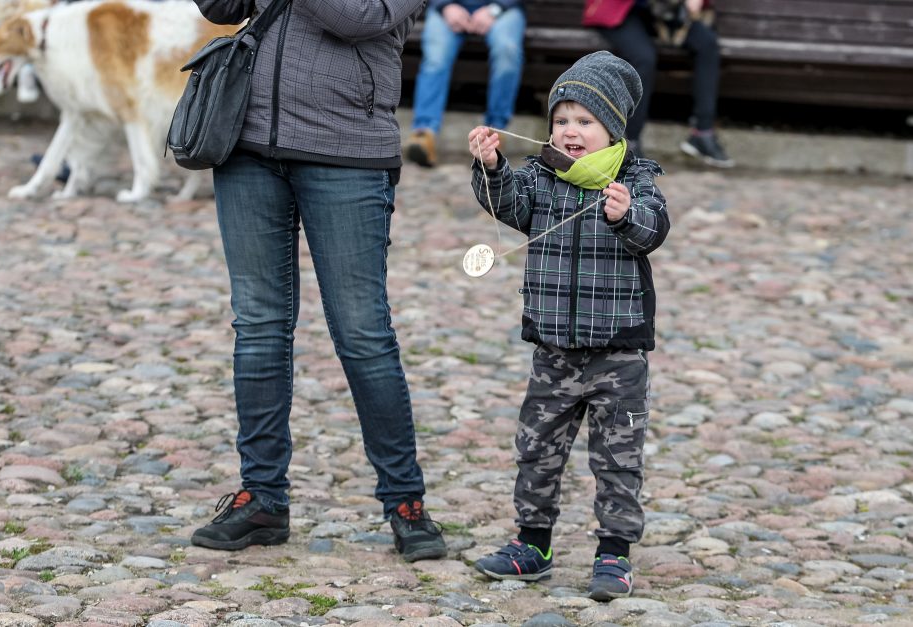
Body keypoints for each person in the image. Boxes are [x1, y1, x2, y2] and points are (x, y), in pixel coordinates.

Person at [187, 0, 447, 563]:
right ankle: (261, 498)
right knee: (257, 326)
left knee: (363, 335)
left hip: (348, 154)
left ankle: (405, 502)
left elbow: (358, 17)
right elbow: (221, 7)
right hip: (247, 145)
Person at [466, 51, 669, 600]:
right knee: (536, 448)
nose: (570, 132)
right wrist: (491, 168)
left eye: (585, 121)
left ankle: (614, 554)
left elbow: (653, 232)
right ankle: (533, 545)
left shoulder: (637, 180)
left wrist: (626, 214)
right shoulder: (540, 177)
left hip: (618, 354)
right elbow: (504, 206)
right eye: (562, 121)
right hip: (554, 348)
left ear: (613, 129)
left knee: (618, 459)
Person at [583, 0, 734, 167]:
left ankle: (702, 134)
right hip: (620, 10)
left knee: (707, 44)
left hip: (665, 12)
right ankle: (630, 141)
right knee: (644, 57)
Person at [404, 0, 525, 167]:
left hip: (502, 8)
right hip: (446, 8)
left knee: (507, 52)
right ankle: (424, 133)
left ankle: (495, 133)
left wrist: (495, 8)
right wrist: (445, 5)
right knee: (435, 59)